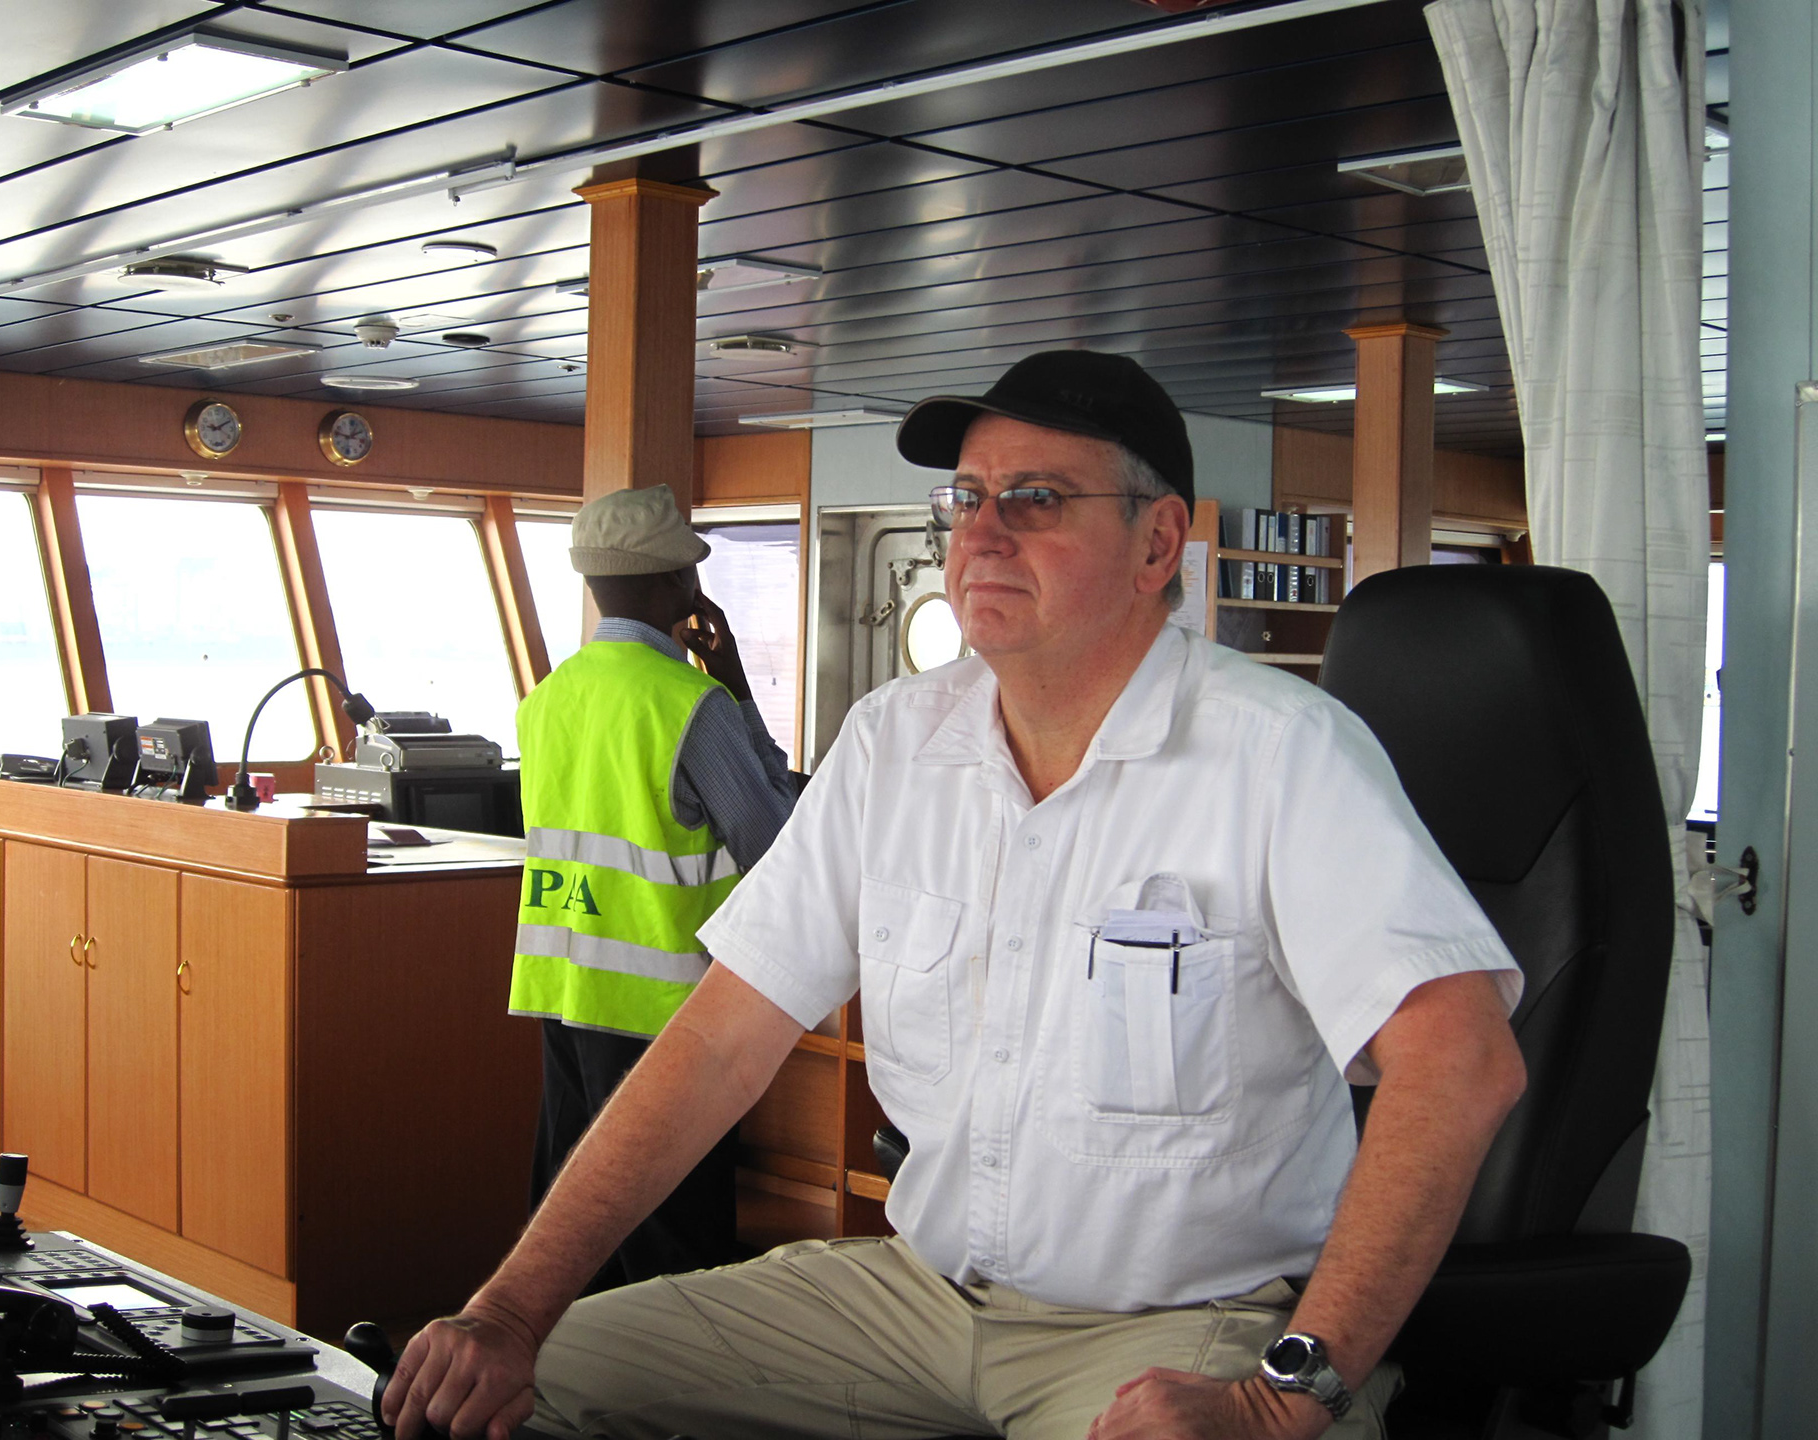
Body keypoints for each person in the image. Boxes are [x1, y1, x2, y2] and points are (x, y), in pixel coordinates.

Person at [393, 351, 1527, 1440]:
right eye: (967, 499)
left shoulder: (1284, 752)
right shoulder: (892, 743)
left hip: (1181, 1323)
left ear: (1157, 543)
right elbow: (720, 1041)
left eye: (1036, 499)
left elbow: (1462, 1062)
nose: (982, 533)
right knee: (528, 1384)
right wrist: (510, 1311)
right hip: (918, 1299)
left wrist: (1285, 1400)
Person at [508, 483, 796, 1291]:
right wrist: (737, 687)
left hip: (567, 990)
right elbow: (775, 844)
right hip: (665, 1009)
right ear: (678, 582)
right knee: (673, 1245)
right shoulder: (691, 703)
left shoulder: (547, 699)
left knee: (575, 1222)